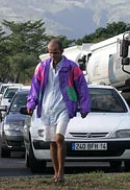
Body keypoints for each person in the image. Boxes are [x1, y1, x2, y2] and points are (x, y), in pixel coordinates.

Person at [26, 39, 91, 183]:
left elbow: (82, 87)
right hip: (48, 107)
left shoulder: (71, 67)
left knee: (59, 138)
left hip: (64, 107)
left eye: (55, 52)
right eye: (50, 52)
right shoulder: (42, 67)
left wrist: (84, 106)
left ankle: (61, 171)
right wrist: (31, 103)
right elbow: (35, 87)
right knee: (52, 142)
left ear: (61, 52)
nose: (52, 55)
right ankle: (56, 173)